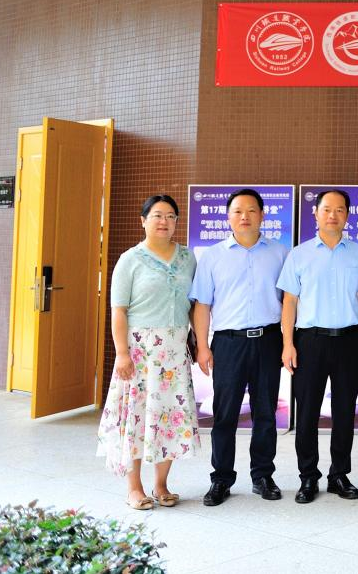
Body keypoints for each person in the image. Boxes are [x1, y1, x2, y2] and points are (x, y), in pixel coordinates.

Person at [97, 194, 200, 510]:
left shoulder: (188, 258)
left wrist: (198, 341)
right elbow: (118, 310)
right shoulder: (130, 260)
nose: (164, 221)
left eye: (170, 216)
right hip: (140, 352)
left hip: (174, 351)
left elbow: (195, 305)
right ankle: (134, 488)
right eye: (157, 215)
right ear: (143, 220)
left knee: (170, 416)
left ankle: (161, 484)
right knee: (138, 418)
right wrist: (122, 353)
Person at [190, 188, 290, 507]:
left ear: (262, 215)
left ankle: (262, 476)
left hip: (268, 340)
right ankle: (221, 479)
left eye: (251, 210)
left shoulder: (280, 253)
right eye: (237, 211)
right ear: (228, 216)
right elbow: (202, 305)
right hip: (228, 343)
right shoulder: (212, 256)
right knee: (225, 414)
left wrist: (288, 343)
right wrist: (203, 347)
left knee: (265, 413)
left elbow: (290, 302)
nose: (244, 216)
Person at [277, 189, 358, 503]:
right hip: (309, 341)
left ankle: (339, 475)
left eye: (340, 210)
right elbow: (289, 302)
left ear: (347, 215)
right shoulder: (299, 254)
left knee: (345, 411)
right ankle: (308, 477)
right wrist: (288, 343)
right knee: (307, 413)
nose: (333, 215)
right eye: (327, 209)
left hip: (348, 340)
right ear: (316, 213)